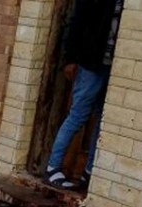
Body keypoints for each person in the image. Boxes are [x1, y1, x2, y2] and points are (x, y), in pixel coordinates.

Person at [44, 0, 124, 190]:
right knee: (78, 115)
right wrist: (70, 58)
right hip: (91, 63)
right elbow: (77, 22)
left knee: (102, 118)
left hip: (113, 66)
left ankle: (89, 171)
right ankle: (53, 167)